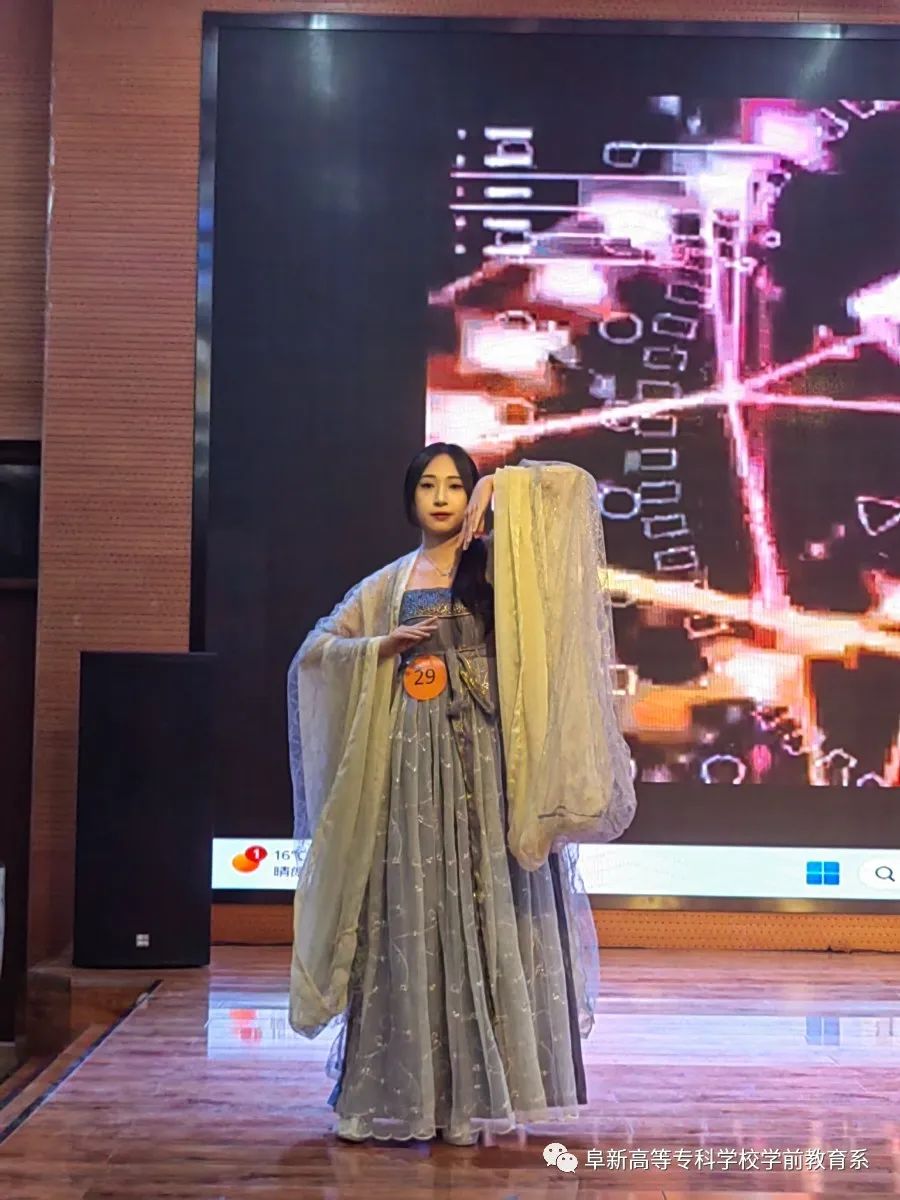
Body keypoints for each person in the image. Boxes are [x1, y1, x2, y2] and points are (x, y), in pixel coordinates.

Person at [286, 444, 635, 1144]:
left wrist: (500, 486)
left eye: (455, 485)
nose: (442, 497)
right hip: (410, 766)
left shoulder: (500, 572)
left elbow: (572, 496)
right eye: (428, 485)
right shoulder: (386, 585)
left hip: (488, 762)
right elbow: (316, 651)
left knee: (490, 908)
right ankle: (405, 1095)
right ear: (409, 497)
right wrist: (380, 648)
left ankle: (480, 1099)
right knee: (410, 910)